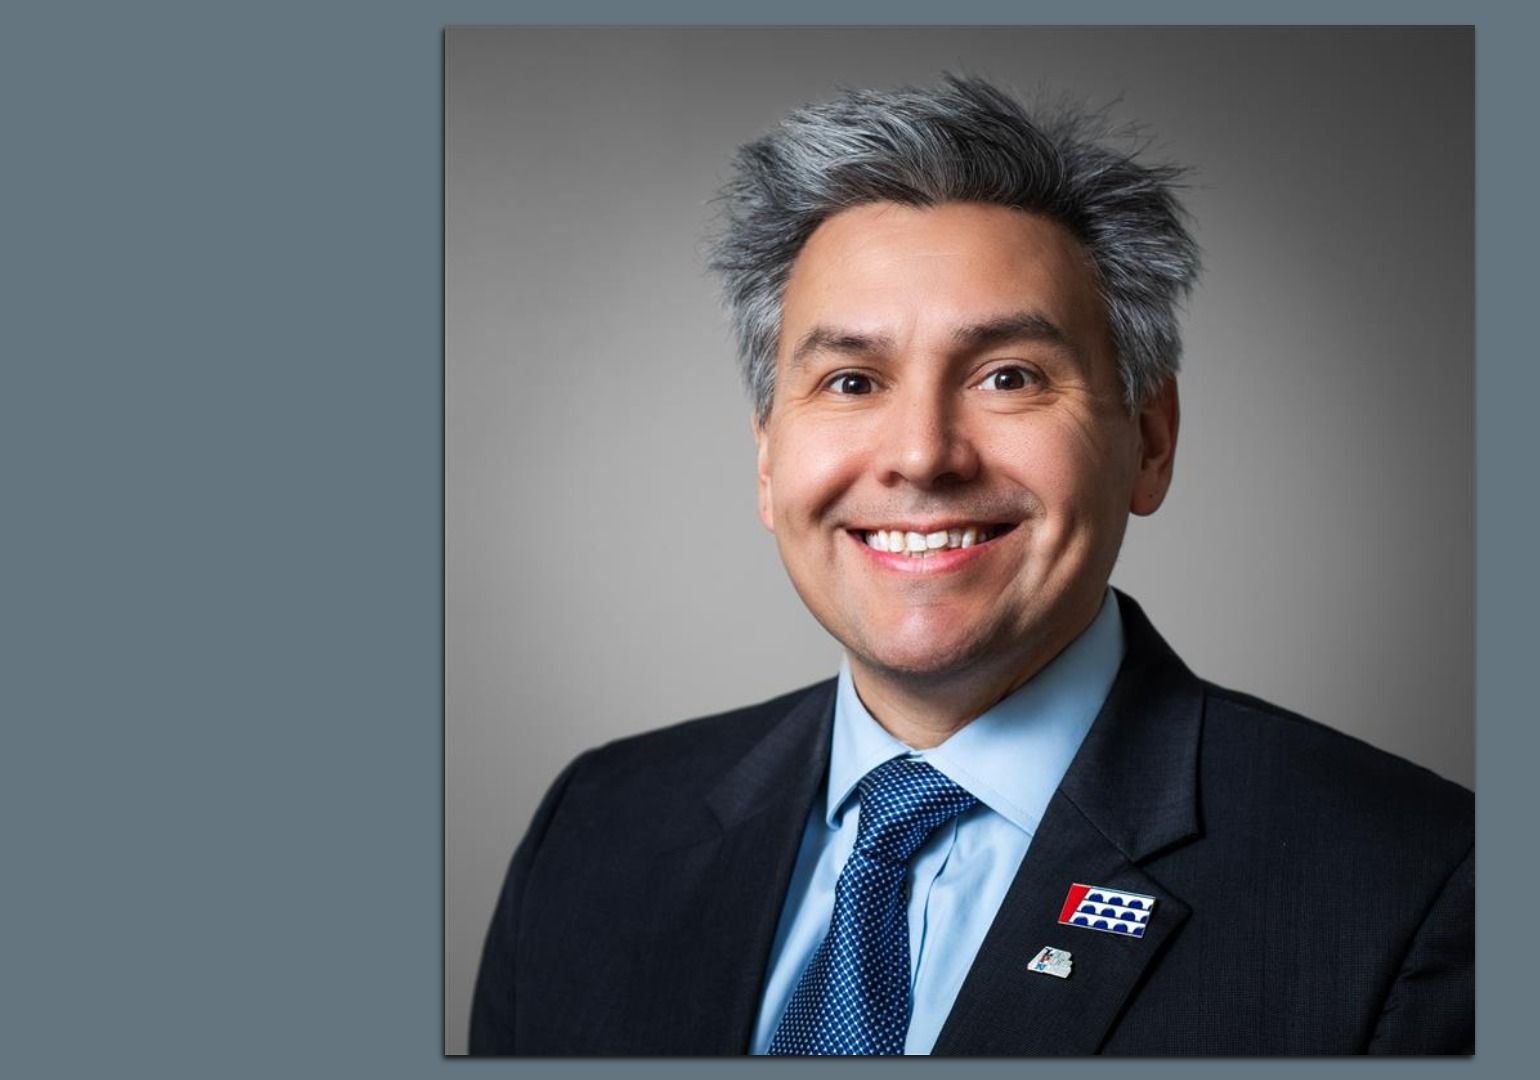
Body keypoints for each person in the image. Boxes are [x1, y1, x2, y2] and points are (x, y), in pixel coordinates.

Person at [469, 76, 1472, 1056]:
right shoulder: (597, 831)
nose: (921, 454)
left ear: (1151, 440)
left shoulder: (1407, 887)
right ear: (769, 459)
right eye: (852, 380)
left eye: (1009, 376)